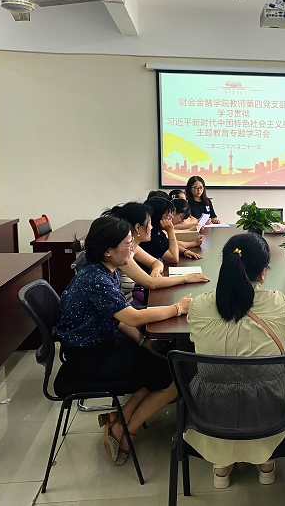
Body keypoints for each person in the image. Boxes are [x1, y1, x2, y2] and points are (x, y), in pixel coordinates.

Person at [56, 216, 191, 466]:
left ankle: (120, 418)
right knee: (176, 372)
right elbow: (132, 316)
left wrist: (143, 342)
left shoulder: (105, 270)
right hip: (89, 358)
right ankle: (127, 430)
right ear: (108, 251)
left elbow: (117, 318)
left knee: (162, 359)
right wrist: (177, 308)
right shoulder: (95, 278)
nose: (133, 247)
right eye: (128, 243)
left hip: (103, 344)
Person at [186, 233, 285, 489]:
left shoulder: (199, 306)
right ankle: (265, 460)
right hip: (270, 414)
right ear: (263, 273)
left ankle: (221, 463)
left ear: (225, 266)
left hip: (209, 414)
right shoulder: (281, 304)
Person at [102, 202, 208, 306]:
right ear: (138, 228)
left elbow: (156, 262)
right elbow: (151, 283)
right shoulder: (123, 254)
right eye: (149, 223)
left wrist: (156, 270)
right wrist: (186, 278)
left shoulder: (134, 247)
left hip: (131, 304)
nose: (151, 227)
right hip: (128, 307)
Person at [141, 197, 202, 262]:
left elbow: (167, 245)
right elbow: (174, 258)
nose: (171, 217)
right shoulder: (150, 236)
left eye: (171, 213)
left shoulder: (158, 232)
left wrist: (184, 251)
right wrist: (170, 231)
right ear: (157, 216)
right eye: (168, 215)